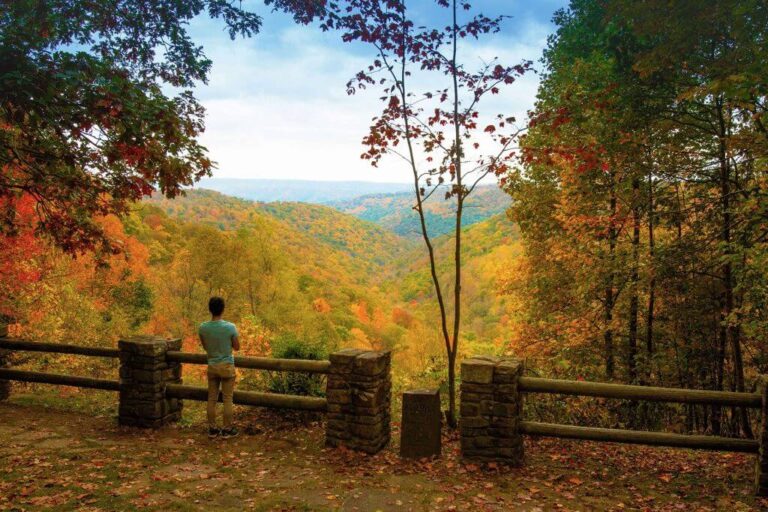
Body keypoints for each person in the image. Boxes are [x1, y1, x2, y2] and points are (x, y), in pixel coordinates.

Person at [198, 296, 240, 439]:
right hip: (227, 366)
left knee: (212, 398)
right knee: (228, 399)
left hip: (212, 366)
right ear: (223, 309)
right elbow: (237, 347)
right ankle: (227, 429)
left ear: (210, 309)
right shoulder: (230, 327)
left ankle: (212, 429)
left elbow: (205, 347)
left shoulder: (203, 328)